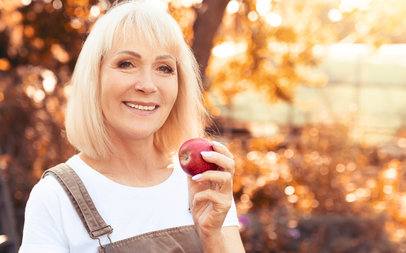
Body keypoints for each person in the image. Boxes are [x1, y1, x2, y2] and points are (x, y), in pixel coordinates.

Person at [19, 0, 245, 252]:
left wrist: (212, 237)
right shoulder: (55, 198)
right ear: (95, 77)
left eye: (164, 68)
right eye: (126, 64)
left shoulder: (202, 183)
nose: (147, 85)